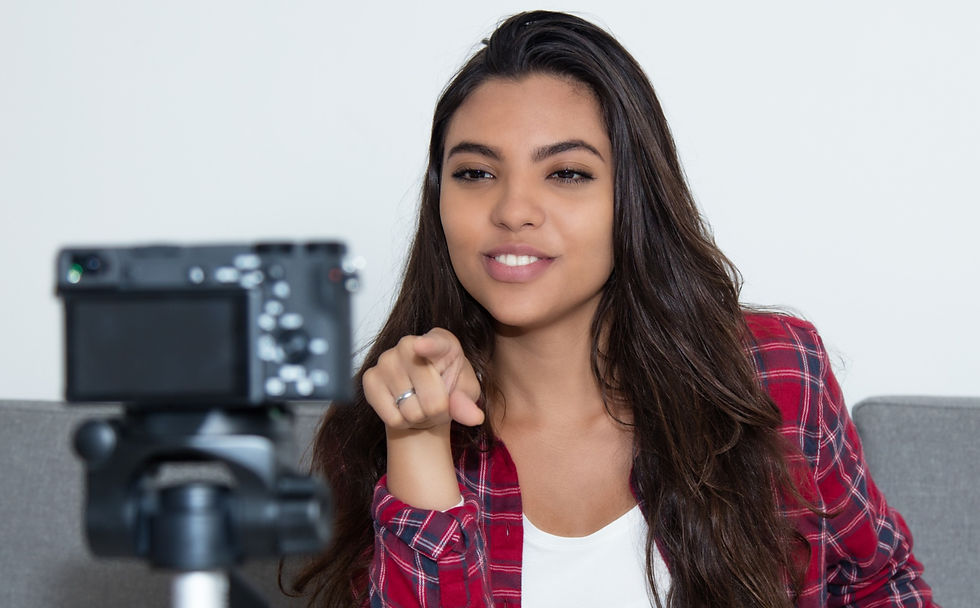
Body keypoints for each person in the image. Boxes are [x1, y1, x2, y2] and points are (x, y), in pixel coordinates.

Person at [292, 10, 935, 608]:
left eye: (567, 173)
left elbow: (881, 586)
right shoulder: (384, 421)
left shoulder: (772, 374)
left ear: (631, 198)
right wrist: (418, 442)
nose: (513, 209)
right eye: (475, 173)